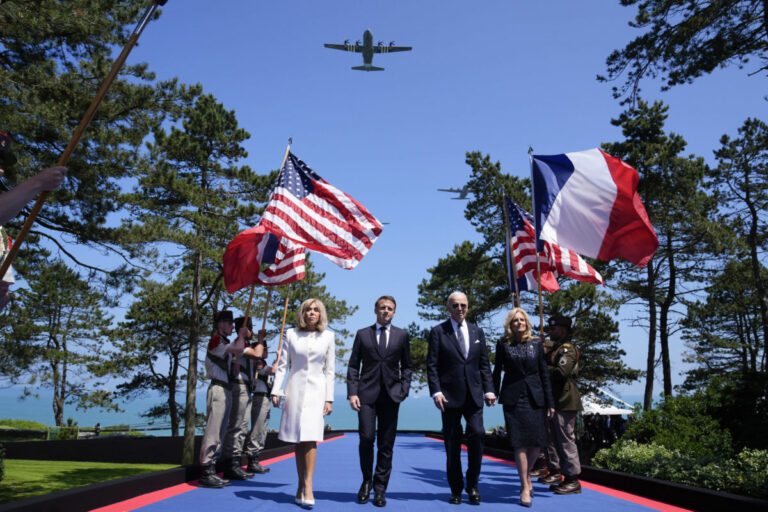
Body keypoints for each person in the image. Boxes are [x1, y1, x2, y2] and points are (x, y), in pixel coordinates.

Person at [427, 291, 496, 505]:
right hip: (449, 398)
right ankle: (456, 489)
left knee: (477, 435)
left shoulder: (478, 332)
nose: (460, 309)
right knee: (452, 445)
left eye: (463, 305)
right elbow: (432, 365)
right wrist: (436, 391)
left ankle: (473, 485)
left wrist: (489, 389)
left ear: (468, 307)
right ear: (449, 307)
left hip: (474, 397)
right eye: (455, 305)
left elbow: (484, 364)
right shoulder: (439, 332)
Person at [347, 295, 412, 507]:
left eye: (390, 309)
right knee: (366, 438)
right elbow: (353, 365)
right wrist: (352, 392)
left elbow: (407, 366)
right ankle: (366, 481)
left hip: (392, 396)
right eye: (382, 308)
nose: (386, 311)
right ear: (375, 310)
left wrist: (404, 389)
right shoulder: (362, 334)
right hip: (366, 395)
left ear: (394, 312)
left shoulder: (402, 335)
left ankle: (380, 488)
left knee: (386, 445)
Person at [271, 298, 335, 508]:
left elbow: (330, 370)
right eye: (308, 309)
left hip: (317, 392)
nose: (311, 313)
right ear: (302, 313)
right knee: (299, 439)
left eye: (316, 310)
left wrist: (329, 398)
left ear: (321, 314)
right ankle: (300, 484)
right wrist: (276, 390)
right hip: (295, 390)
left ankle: (308, 485)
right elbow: (282, 366)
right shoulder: (290, 334)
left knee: (312, 437)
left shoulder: (328, 336)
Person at [492, 308, 554, 507]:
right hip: (513, 398)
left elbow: (544, 374)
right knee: (520, 443)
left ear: (527, 322)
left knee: (536, 443)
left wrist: (550, 402)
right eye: (515, 320)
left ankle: (527, 477)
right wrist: (492, 392)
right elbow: (497, 371)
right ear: (510, 324)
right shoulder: (503, 344)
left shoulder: (537, 344)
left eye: (522, 320)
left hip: (535, 397)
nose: (519, 323)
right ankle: (524, 486)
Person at [0, 131, 68, 311]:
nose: (0, 170)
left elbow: (3, 298)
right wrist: (38, 182)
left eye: (1, 163)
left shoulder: (1, 238)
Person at [198, 310, 246, 489]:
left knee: (221, 430)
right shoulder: (216, 340)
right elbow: (239, 348)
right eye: (229, 323)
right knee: (213, 430)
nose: (232, 326)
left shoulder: (225, 343)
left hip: (225, 388)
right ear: (220, 324)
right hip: (218, 388)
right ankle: (206, 470)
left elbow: (234, 369)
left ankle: (213, 468)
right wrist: (241, 336)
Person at [538, 315, 583, 495]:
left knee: (565, 441)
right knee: (553, 439)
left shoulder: (568, 350)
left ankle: (573, 478)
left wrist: (542, 367)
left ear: (563, 330)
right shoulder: (555, 348)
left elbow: (561, 372)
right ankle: (557, 472)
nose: (550, 332)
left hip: (565, 400)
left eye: (554, 329)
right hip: (555, 400)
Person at [221, 316, 263, 481]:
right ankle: (231, 462)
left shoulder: (243, 344)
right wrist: (260, 339)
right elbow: (258, 354)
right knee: (237, 426)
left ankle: (236, 462)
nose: (251, 331)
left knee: (242, 426)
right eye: (249, 328)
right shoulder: (240, 344)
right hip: (238, 385)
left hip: (246, 386)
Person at [243, 321, 276, 475]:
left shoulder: (261, 362)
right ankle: (252, 458)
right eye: (264, 348)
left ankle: (255, 457)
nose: (265, 351)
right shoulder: (258, 363)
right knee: (257, 428)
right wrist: (280, 358)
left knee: (262, 429)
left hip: (264, 396)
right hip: (258, 396)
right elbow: (274, 370)